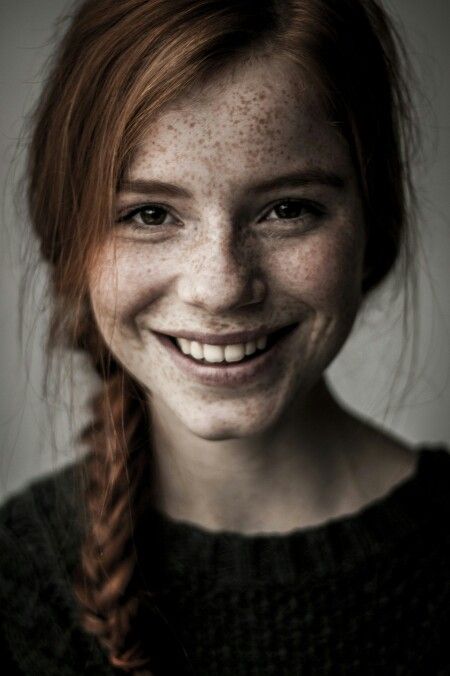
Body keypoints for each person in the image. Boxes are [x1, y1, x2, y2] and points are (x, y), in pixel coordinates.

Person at [0, 0, 448, 673]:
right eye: (150, 214)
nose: (220, 286)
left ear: (373, 225)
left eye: (287, 209)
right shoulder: (18, 585)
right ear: (70, 241)